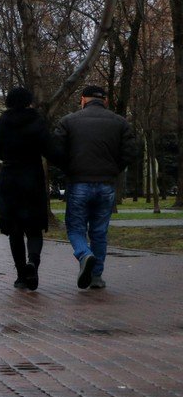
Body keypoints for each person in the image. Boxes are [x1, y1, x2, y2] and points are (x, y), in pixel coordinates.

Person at [51, 84, 137, 290]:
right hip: (106, 184)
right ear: (105, 100)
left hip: (78, 182)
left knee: (75, 227)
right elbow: (132, 151)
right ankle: (96, 276)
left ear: (83, 100)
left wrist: (69, 169)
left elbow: (55, 151)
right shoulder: (120, 122)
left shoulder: (68, 122)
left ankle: (84, 254)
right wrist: (114, 169)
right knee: (99, 231)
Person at [0, 87, 51, 290]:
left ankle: (20, 276)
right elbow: (48, 147)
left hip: (9, 178)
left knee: (14, 230)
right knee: (34, 228)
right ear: (29, 101)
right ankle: (32, 262)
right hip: (32, 177)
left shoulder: (2, 123)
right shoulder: (37, 121)